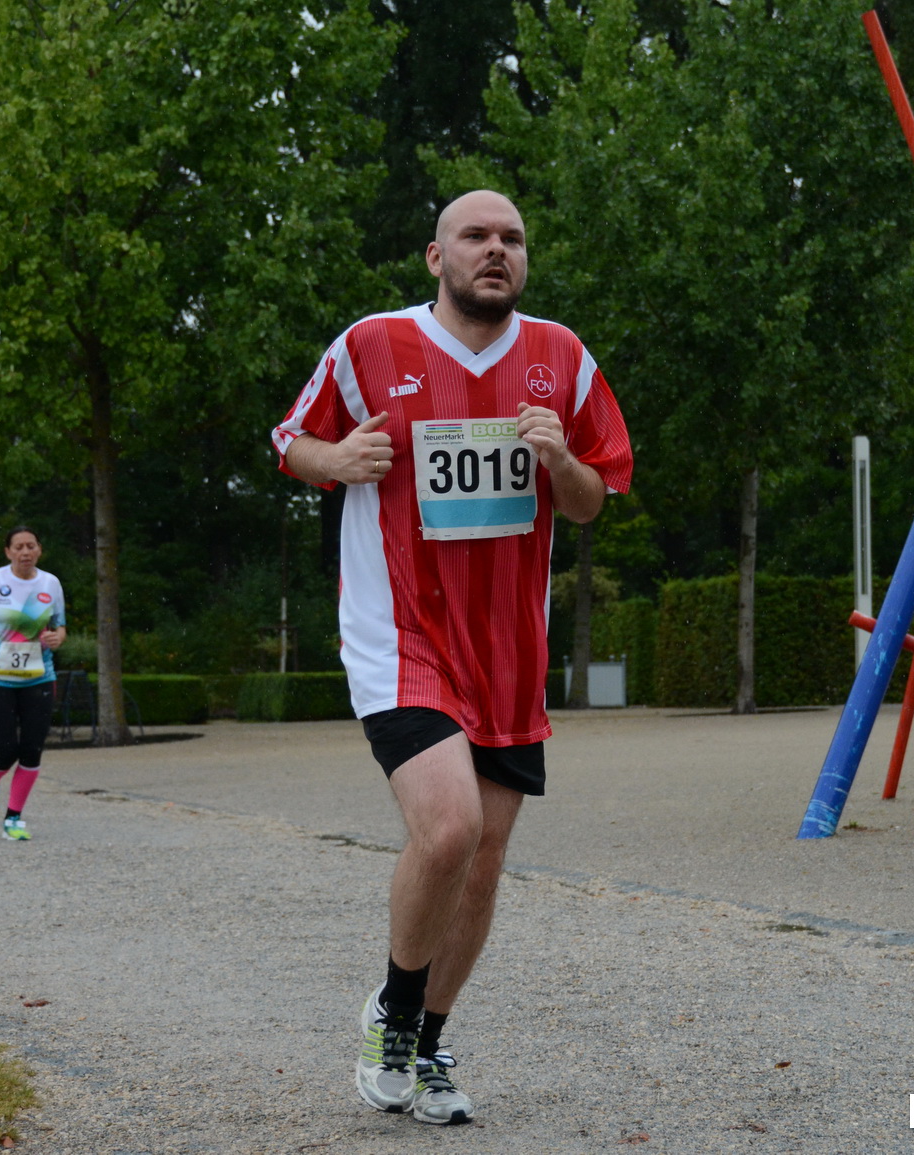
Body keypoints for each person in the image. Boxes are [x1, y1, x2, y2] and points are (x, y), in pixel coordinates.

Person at [272, 189, 632, 1125]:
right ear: (435, 257)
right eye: (475, 236)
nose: (495, 251)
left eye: (511, 238)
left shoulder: (562, 358)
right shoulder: (370, 346)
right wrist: (335, 459)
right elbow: (290, 440)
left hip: (509, 649)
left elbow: (595, 498)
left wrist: (560, 464)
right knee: (447, 827)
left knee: (485, 854)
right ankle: (392, 1013)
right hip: (401, 634)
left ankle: (427, 1045)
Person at [0, 527, 66, 842]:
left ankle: (14, 817)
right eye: (18, 547)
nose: (25, 552)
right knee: (5, 749)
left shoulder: (50, 583)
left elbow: (59, 627)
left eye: (31, 546)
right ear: (8, 552)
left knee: (32, 749)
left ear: (39, 550)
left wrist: (57, 637)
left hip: (39, 675)